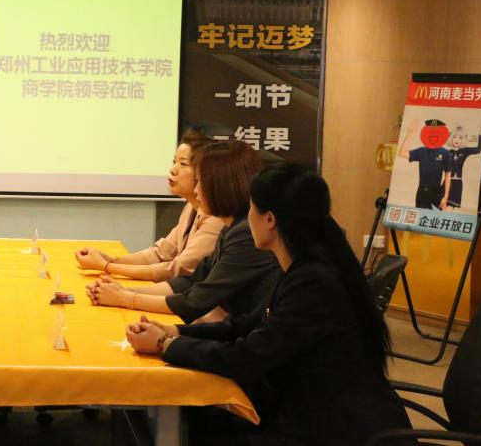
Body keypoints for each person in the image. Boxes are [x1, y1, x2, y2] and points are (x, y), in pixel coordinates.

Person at [125, 163, 413, 445]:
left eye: (251, 208)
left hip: (330, 427)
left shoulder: (314, 282)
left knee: (197, 421)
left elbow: (247, 357)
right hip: (306, 409)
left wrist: (164, 344)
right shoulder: (303, 268)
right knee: (193, 416)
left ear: (270, 220)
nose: (246, 217)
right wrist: (175, 332)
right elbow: (244, 326)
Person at [87, 140, 279, 323]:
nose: (196, 190)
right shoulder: (230, 226)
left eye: (200, 182)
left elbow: (196, 299)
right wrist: (123, 291)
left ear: (220, 186)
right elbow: (191, 280)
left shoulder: (243, 233)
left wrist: (125, 296)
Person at [74, 129, 222, 281]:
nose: (173, 169)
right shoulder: (190, 207)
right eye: (174, 162)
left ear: (204, 172)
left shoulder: (215, 218)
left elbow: (177, 269)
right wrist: (110, 260)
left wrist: (106, 266)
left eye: (183, 164)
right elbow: (161, 253)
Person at [398, 118, 452, 210]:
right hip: (422, 191)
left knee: (437, 217)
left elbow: (448, 175)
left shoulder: (445, 153)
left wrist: (445, 197)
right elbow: (402, 153)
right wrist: (410, 133)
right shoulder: (421, 151)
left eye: (436, 132)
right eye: (430, 132)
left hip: (436, 192)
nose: (433, 135)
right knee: (420, 217)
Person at [445, 124, 481, 209]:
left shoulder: (465, 151)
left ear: (463, 139)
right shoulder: (446, 152)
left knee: (450, 208)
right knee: (441, 209)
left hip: (457, 184)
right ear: (451, 138)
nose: (457, 140)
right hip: (447, 183)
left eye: (460, 137)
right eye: (454, 137)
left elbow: (478, 149)